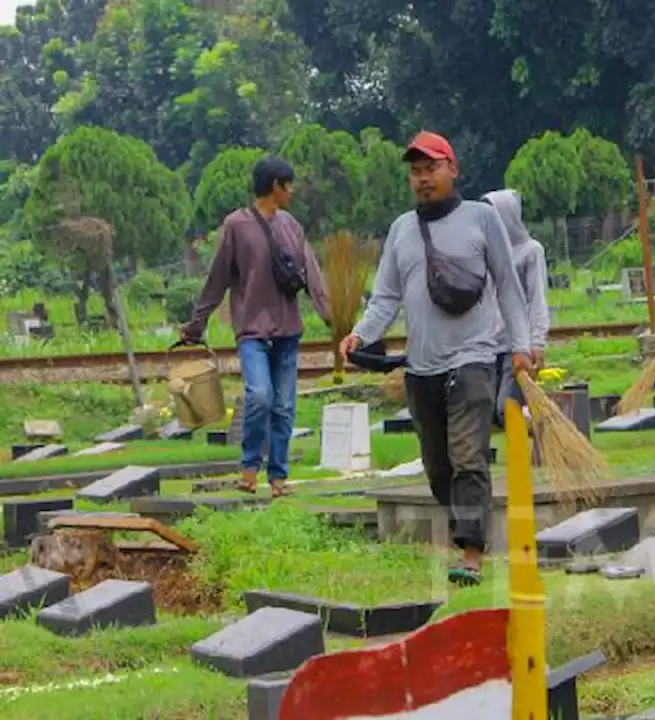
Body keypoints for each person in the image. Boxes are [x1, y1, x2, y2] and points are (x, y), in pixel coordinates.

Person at [339, 131, 533, 587]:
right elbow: (385, 297)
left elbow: (507, 285)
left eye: (432, 168)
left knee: (468, 456)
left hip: (475, 358)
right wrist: (361, 334)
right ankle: (464, 533)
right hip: (421, 367)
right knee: (438, 465)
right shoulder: (402, 230)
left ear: (453, 169)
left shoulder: (482, 219)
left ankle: (470, 554)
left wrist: (521, 347)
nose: (423, 179)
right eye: (416, 171)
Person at [182, 157, 331, 499]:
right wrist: (196, 324)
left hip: (288, 329)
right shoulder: (236, 225)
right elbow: (217, 278)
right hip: (252, 329)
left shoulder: (291, 225)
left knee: (284, 406)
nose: (291, 192)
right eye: (288, 185)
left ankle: (278, 478)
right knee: (260, 396)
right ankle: (250, 466)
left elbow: (311, 272)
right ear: (275, 186)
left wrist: (331, 317)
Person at [481, 189, 550, 427]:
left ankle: (541, 427)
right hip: (491, 345)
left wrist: (537, 342)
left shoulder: (531, 251)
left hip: (518, 345)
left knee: (506, 409)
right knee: (486, 412)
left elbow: (537, 298)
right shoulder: (487, 252)